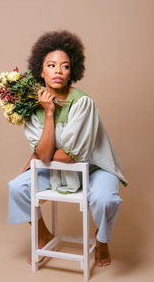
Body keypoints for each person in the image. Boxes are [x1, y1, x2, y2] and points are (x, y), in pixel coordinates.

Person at [8, 30, 128, 267]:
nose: (58, 71)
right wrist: (49, 112)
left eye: (65, 66)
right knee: (17, 188)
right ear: (40, 71)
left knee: (105, 200)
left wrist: (39, 155)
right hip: (55, 171)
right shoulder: (32, 108)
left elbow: (70, 156)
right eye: (51, 65)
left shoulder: (83, 103)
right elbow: (47, 156)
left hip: (93, 169)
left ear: (73, 71)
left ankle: (102, 240)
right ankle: (43, 235)